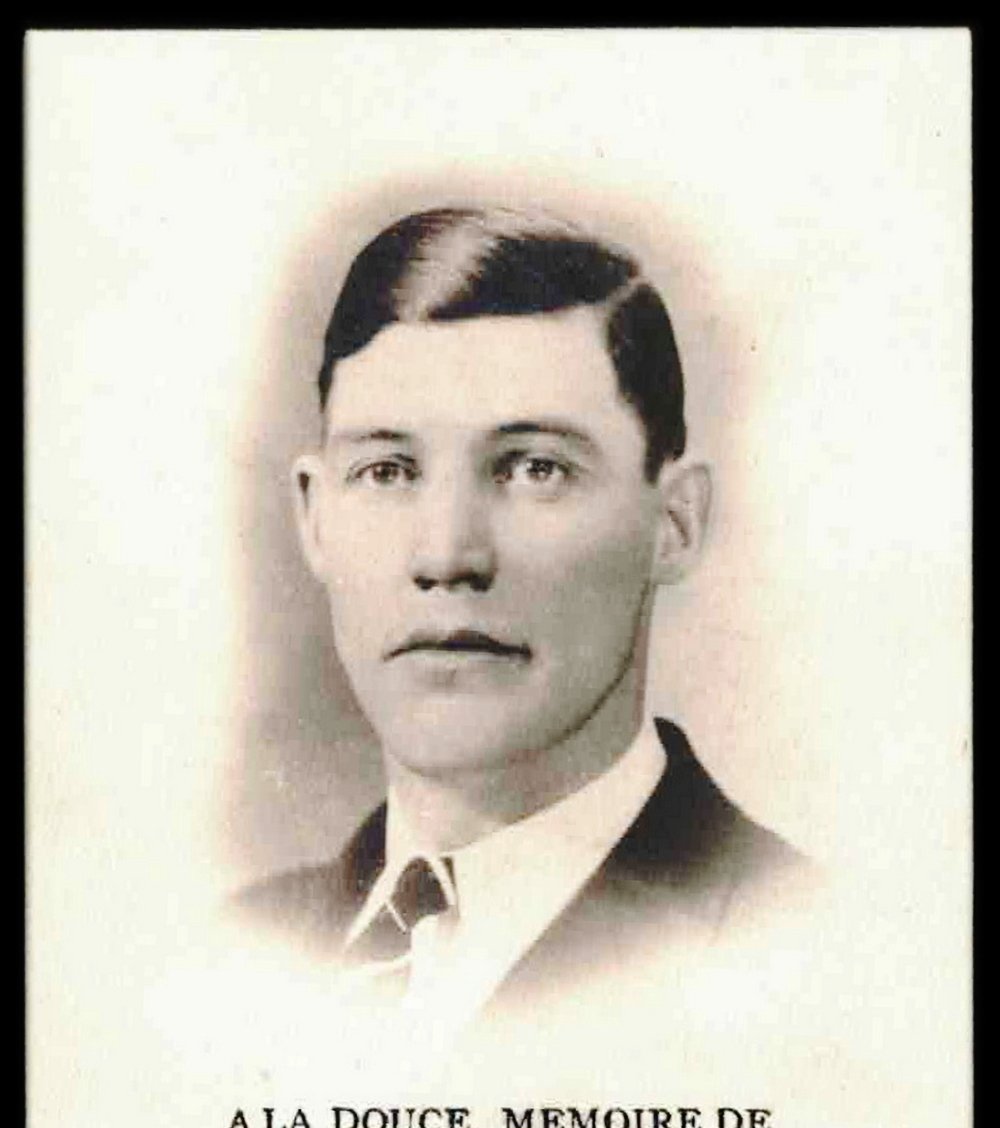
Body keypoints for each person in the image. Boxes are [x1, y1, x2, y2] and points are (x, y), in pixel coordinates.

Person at [236, 205, 811, 1030]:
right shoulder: (238, 952)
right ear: (314, 518)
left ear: (674, 523)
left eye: (536, 468)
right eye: (388, 470)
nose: (447, 556)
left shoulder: (800, 950)